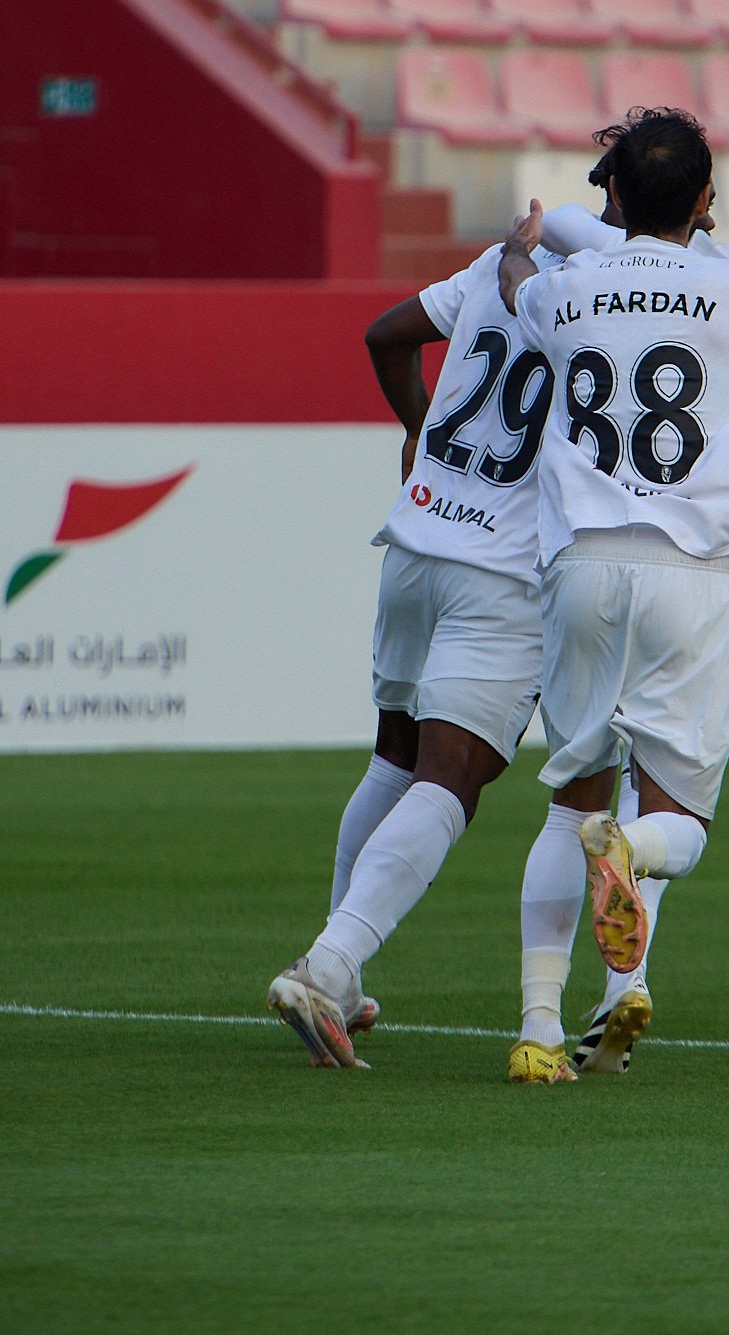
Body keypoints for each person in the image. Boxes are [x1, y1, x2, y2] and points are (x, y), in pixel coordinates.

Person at [498, 108, 729, 1084]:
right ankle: (629, 847)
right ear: (706, 200)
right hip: (691, 570)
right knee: (679, 827)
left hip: (580, 565)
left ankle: (536, 1031)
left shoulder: (562, 288)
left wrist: (519, 253)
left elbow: (519, 292)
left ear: (613, 193)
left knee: (565, 803)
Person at [266, 224, 567, 1069]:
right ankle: (328, 965)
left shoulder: (509, 259)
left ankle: (338, 974)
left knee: (394, 758)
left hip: (417, 540)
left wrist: (420, 428)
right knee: (451, 779)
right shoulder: (624, 289)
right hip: (504, 571)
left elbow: (386, 335)